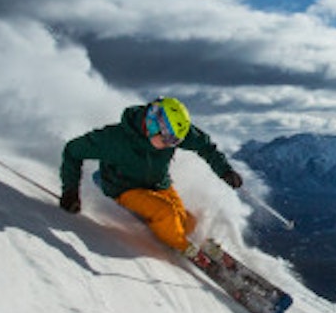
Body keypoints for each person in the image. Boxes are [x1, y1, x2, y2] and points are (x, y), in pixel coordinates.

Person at [58, 97, 244, 261]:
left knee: (187, 221)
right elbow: (73, 151)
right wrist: (70, 190)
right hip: (124, 188)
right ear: (153, 124)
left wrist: (225, 171)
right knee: (167, 213)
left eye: (176, 142)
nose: (171, 145)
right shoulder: (115, 139)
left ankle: (197, 240)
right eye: (168, 141)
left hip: (158, 184)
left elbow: (205, 147)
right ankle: (184, 247)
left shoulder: (173, 131)